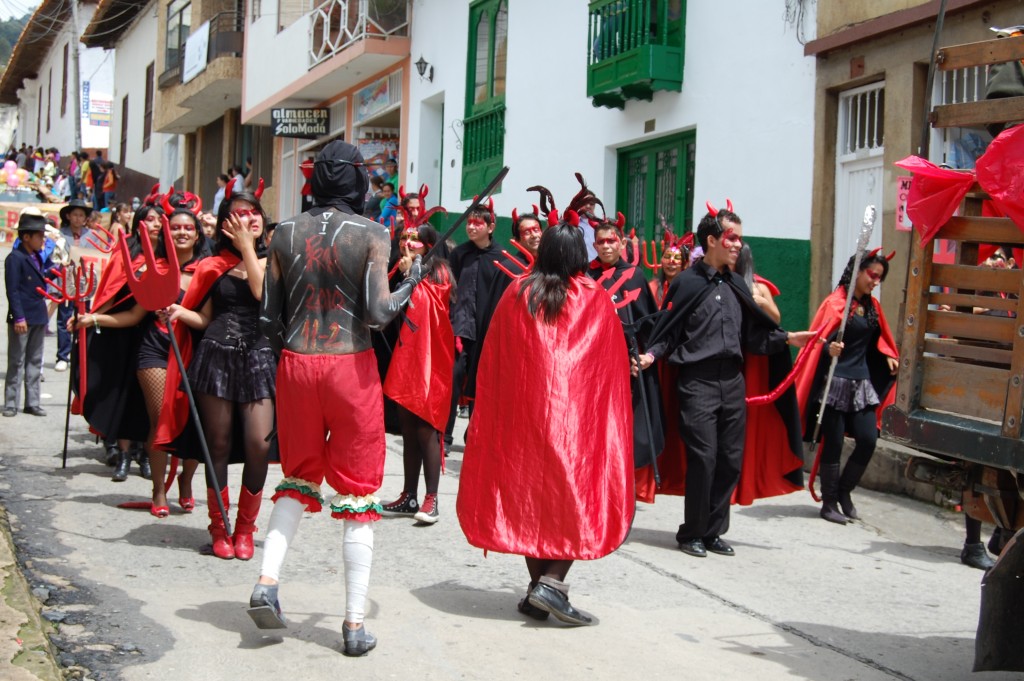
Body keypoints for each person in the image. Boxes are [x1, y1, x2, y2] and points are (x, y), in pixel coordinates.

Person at [248, 140, 423, 656]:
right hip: (350, 368)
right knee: (359, 488)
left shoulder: (283, 233)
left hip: (297, 364)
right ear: (356, 181)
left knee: (298, 475)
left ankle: (267, 582)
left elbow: (266, 317)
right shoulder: (372, 233)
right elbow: (376, 312)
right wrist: (409, 282)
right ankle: (351, 625)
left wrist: (292, 357)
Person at [457, 219, 634, 625]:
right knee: (576, 500)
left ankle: (539, 589)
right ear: (577, 256)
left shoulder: (517, 292)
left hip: (522, 420)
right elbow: (610, 370)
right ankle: (551, 584)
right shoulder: (594, 297)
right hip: (577, 425)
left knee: (527, 501)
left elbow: (494, 359)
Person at [638, 205, 816, 557]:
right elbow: (669, 331)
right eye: (731, 238)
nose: (738, 245)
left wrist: (787, 339)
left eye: (739, 238)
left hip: (732, 383)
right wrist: (651, 355)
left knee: (730, 459)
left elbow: (753, 337)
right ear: (712, 240)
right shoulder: (687, 283)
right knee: (703, 457)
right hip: (697, 382)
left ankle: (714, 531)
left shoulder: (737, 285)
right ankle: (691, 532)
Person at [161, 187, 274, 560]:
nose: (249, 218)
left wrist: (247, 248)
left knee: (260, 442)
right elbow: (205, 317)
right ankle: (220, 527)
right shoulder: (211, 265)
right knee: (218, 444)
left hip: (258, 358)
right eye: (239, 213)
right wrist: (178, 312)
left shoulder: (275, 260)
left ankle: (245, 528)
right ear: (225, 223)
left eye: (253, 211)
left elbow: (261, 295)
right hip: (216, 357)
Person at [73, 205, 206, 514]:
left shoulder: (208, 269)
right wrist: (92, 320)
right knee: (160, 420)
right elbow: (133, 316)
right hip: (155, 350)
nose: (181, 232)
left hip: (194, 352)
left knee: (194, 422)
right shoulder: (152, 269)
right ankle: (159, 491)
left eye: (188, 227)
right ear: (165, 233)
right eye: (175, 227)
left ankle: (186, 480)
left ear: (198, 234)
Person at [795, 250, 899, 525]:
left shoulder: (873, 307)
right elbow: (816, 341)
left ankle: (844, 491)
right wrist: (829, 347)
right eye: (871, 275)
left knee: (868, 439)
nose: (875, 281)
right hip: (834, 381)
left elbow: (879, 338)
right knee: (835, 442)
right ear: (857, 271)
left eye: (879, 277)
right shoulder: (835, 303)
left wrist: (887, 352)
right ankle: (828, 503)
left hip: (861, 381)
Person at [380, 224, 455, 525]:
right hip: (405, 355)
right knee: (408, 430)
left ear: (429, 244)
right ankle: (409, 494)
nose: (408, 243)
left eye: (414, 239)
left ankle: (431, 499)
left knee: (427, 430)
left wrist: (414, 275)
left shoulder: (439, 272)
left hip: (429, 358)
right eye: (404, 238)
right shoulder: (399, 268)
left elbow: (428, 307)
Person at [442, 201, 499, 448]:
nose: (471, 227)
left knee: (480, 385)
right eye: (469, 222)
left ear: (491, 227)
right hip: (459, 327)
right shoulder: (458, 254)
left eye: (478, 223)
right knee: (453, 379)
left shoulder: (500, 259)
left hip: (486, 331)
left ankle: (474, 436)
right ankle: (444, 434)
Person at [4, 209, 52, 418]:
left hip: (38, 315)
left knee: (34, 360)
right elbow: (12, 290)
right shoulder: (15, 258)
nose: (42, 239)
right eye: (39, 235)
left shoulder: (36, 257)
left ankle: (32, 402)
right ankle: (10, 403)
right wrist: (18, 317)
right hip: (22, 317)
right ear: (26, 237)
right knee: (16, 360)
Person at [55, 199, 96, 373]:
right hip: (67, 280)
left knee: (84, 317)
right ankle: (63, 356)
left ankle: (81, 353)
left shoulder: (92, 235)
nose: (78, 219)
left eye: (82, 215)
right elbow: (55, 257)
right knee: (64, 318)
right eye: (75, 215)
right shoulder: (60, 235)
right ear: (68, 216)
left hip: (86, 282)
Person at [649, 231, 690, 307]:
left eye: (677, 257)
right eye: (667, 257)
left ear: (685, 264)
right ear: (661, 260)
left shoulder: (690, 289)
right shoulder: (652, 288)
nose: (671, 262)